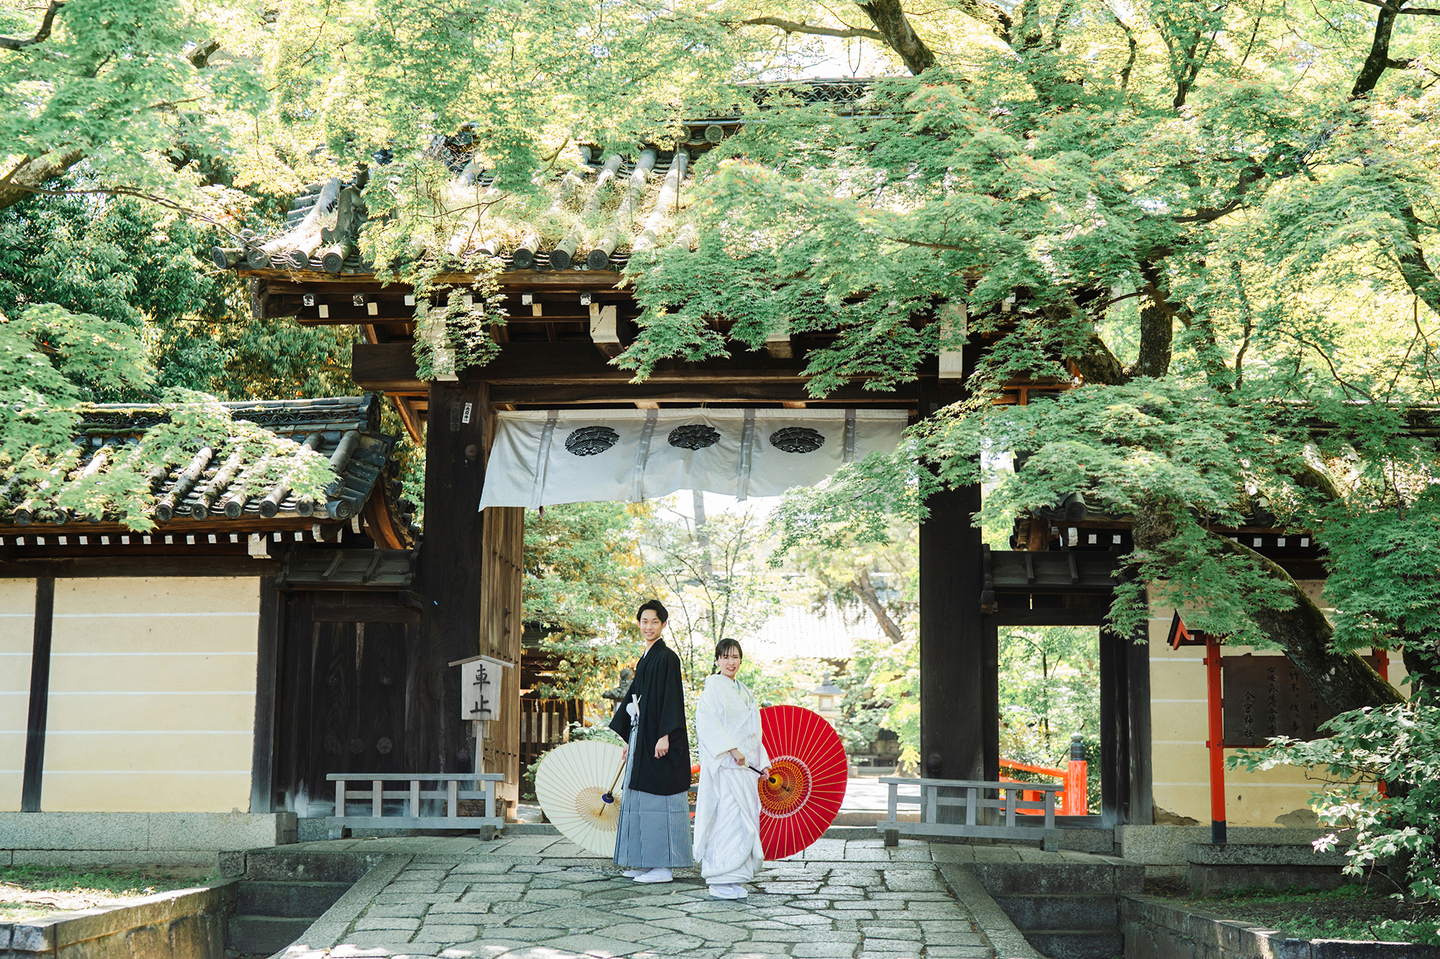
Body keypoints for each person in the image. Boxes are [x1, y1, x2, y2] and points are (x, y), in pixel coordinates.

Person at [609, 599, 693, 883]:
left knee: (660, 800)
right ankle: (645, 860)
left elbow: (672, 700)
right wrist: (630, 738)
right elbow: (635, 699)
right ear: (639, 624)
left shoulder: (667, 657)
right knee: (641, 797)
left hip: (658, 738)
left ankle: (664, 866)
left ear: (663, 625)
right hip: (642, 736)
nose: (648, 626)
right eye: (644, 621)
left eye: (654, 622)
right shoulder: (645, 658)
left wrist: (665, 734)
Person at [692, 638, 768, 899]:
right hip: (726, 765)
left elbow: (754, 732)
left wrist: (763, 764)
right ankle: (718, 878)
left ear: (740, 660)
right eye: (725, 657)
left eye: (735, 657)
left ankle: (735, 877)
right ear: (717, 660)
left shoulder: (745, 691)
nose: (730, 662)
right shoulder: (713, 688)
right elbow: (707, 723)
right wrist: (731, 749)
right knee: (726, 820)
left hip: (745, 769)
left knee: (743, 822)